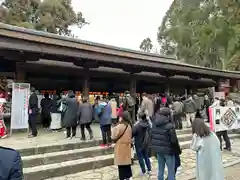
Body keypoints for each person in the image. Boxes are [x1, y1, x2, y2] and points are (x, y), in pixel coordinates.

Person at [151, 107, 179, 180]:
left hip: (159, 151)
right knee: (171, 171)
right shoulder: (170, 125)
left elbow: (152, 136)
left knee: (160, 169)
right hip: (169, 151)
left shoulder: (154, 123)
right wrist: (177, 151)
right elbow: (174, 141)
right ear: (168, 115)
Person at [112, 111, 133, 180]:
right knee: (127, 163)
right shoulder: (129, 126)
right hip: (127, 147)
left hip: (120, 147)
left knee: (121, 165)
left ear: (122, 117)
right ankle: (129, 177)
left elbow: (113, 136)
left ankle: (122, 178)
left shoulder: (119, 126)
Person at [132, 111, 151, 176]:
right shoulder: (148, 124)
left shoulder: (136, 126)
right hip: (146, 143)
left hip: (138, 144)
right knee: (146, 156)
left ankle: (143, 171)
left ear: (139, 118)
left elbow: (132, 133)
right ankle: (149, 169)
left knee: (140, 158)